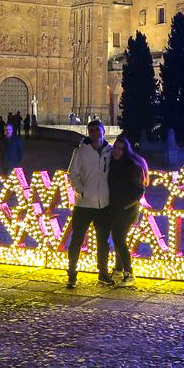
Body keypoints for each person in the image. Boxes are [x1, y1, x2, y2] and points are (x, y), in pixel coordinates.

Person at [65, 119, 113, 289]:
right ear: (88, 133)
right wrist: (81, 191)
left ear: (103, 131)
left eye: (97, 129)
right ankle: (72, 272)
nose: (95, 133)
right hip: (83, 204)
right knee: (77, 239)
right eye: (91, 130)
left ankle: (103, 271)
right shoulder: (80, 152)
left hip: (104, 205)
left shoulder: (110, 151)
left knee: (103, 241)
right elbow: (72, 175)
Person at [107, 136, 149, 287]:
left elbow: (139, 191)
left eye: (120, 149)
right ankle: (118, 269)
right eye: (115, 148)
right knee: (118, 239)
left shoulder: (133, 166)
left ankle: (129, 273)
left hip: (126, 210)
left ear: (126, 151)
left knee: (119, 240)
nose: (117, 151)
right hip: (115, 208)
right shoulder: (113, 164)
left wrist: (123, 205)